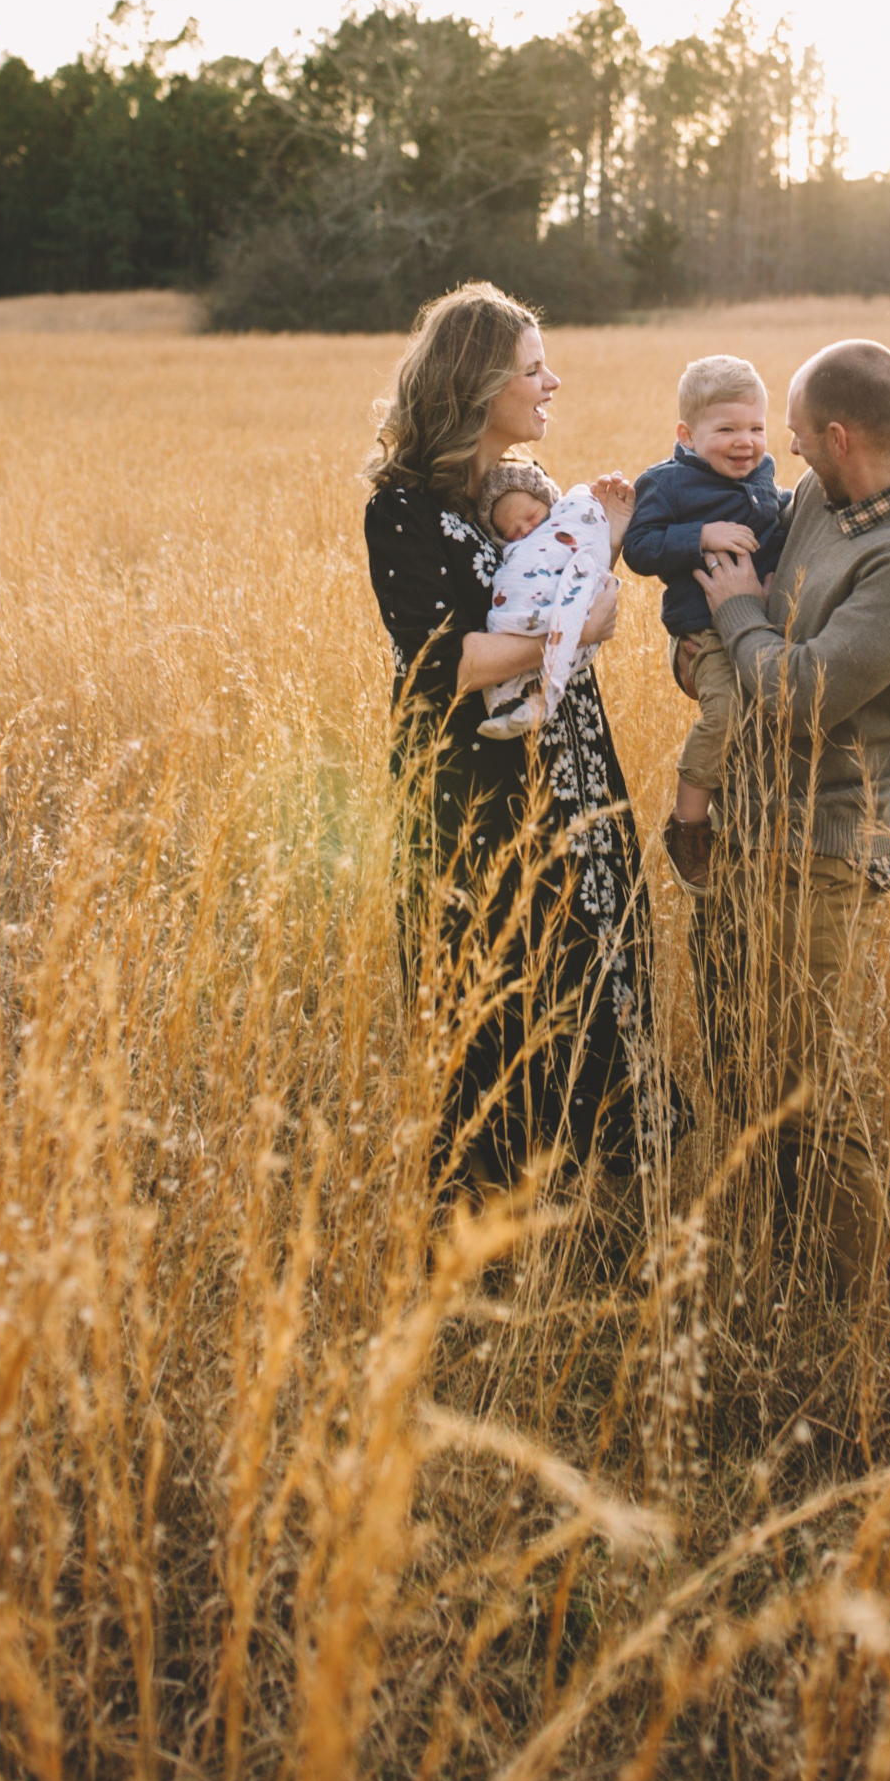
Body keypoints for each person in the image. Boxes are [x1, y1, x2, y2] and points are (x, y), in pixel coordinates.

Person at [362, 282, 682, 1188]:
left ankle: (597, 1193)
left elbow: (552, 583)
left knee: (594, 955)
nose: (553, 383)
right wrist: (576, 630)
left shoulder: (517, 489)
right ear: (475, 385)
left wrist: (606, 550)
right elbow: (442, 662)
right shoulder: (404, 509)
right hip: (473, 789)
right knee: (491, 980)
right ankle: (493, 1209)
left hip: (572, 764)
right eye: (533, 369)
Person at [691, 337, 890, 1298]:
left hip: (818, 853)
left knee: (808, 1094)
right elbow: (762, 640)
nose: (790, 456)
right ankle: (785, 1281)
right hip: (743, 825)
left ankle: (862, 1317)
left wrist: (733, 618)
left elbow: (800, 690)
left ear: (841, 435)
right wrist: (726, 647)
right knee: (743, 1074)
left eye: (803, 439)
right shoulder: (825, 498)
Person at [622, 355, 793, 892]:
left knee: (770, 715)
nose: (746, 442)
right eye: (727, 430)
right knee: (727, 710)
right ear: (687, 434)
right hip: (705, 630)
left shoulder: (763, 477)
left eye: (756, 428)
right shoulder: (668, 484)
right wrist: (701, 536)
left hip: (756, 620)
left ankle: (753, 814)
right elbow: (640, 549)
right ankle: (689, 825)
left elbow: (777, 525)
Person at [474, 462, 621, 740]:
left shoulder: (569, 514)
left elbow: (584, 551)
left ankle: (539, 703)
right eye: (512, 533)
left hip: (573, 621)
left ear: (548, 500)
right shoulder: (520, 551)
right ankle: (510, 705)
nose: (527, 531)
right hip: (535, 627)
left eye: (532, 516)